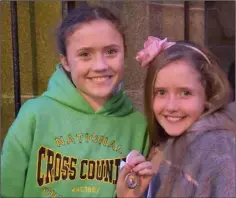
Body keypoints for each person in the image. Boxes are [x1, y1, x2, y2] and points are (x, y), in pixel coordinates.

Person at [1, 6, 150, 197]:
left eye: (111, 52)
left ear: (125, 53)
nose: (100, 66)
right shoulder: (35, 115)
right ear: (65, 62)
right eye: (85, 54)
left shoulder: (138, 126)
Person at [116, 37, 235, 198]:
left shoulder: (215, 150)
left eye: (185, 93)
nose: (171, 106)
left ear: (208, 94)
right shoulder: (162, 144)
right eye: (161, 92)